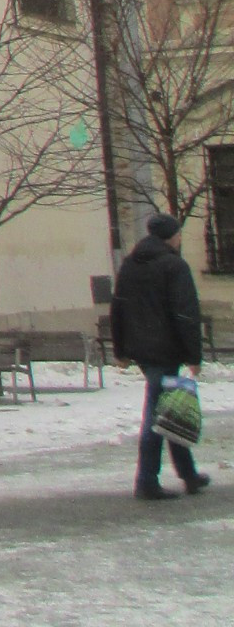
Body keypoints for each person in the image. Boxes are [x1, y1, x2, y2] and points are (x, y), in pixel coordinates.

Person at [109, 213, 211, 500]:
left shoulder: (130, 265)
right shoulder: (174, 266)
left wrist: (120, 350)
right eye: (178, 234)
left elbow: (117, 308)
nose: (180, 239)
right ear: (171, 236)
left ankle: (188, 475)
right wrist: (194, 355)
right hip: (166, 350)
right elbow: (185, 313)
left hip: (142, 350)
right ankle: (146, 481)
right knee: (157, 415)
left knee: (170, 410)